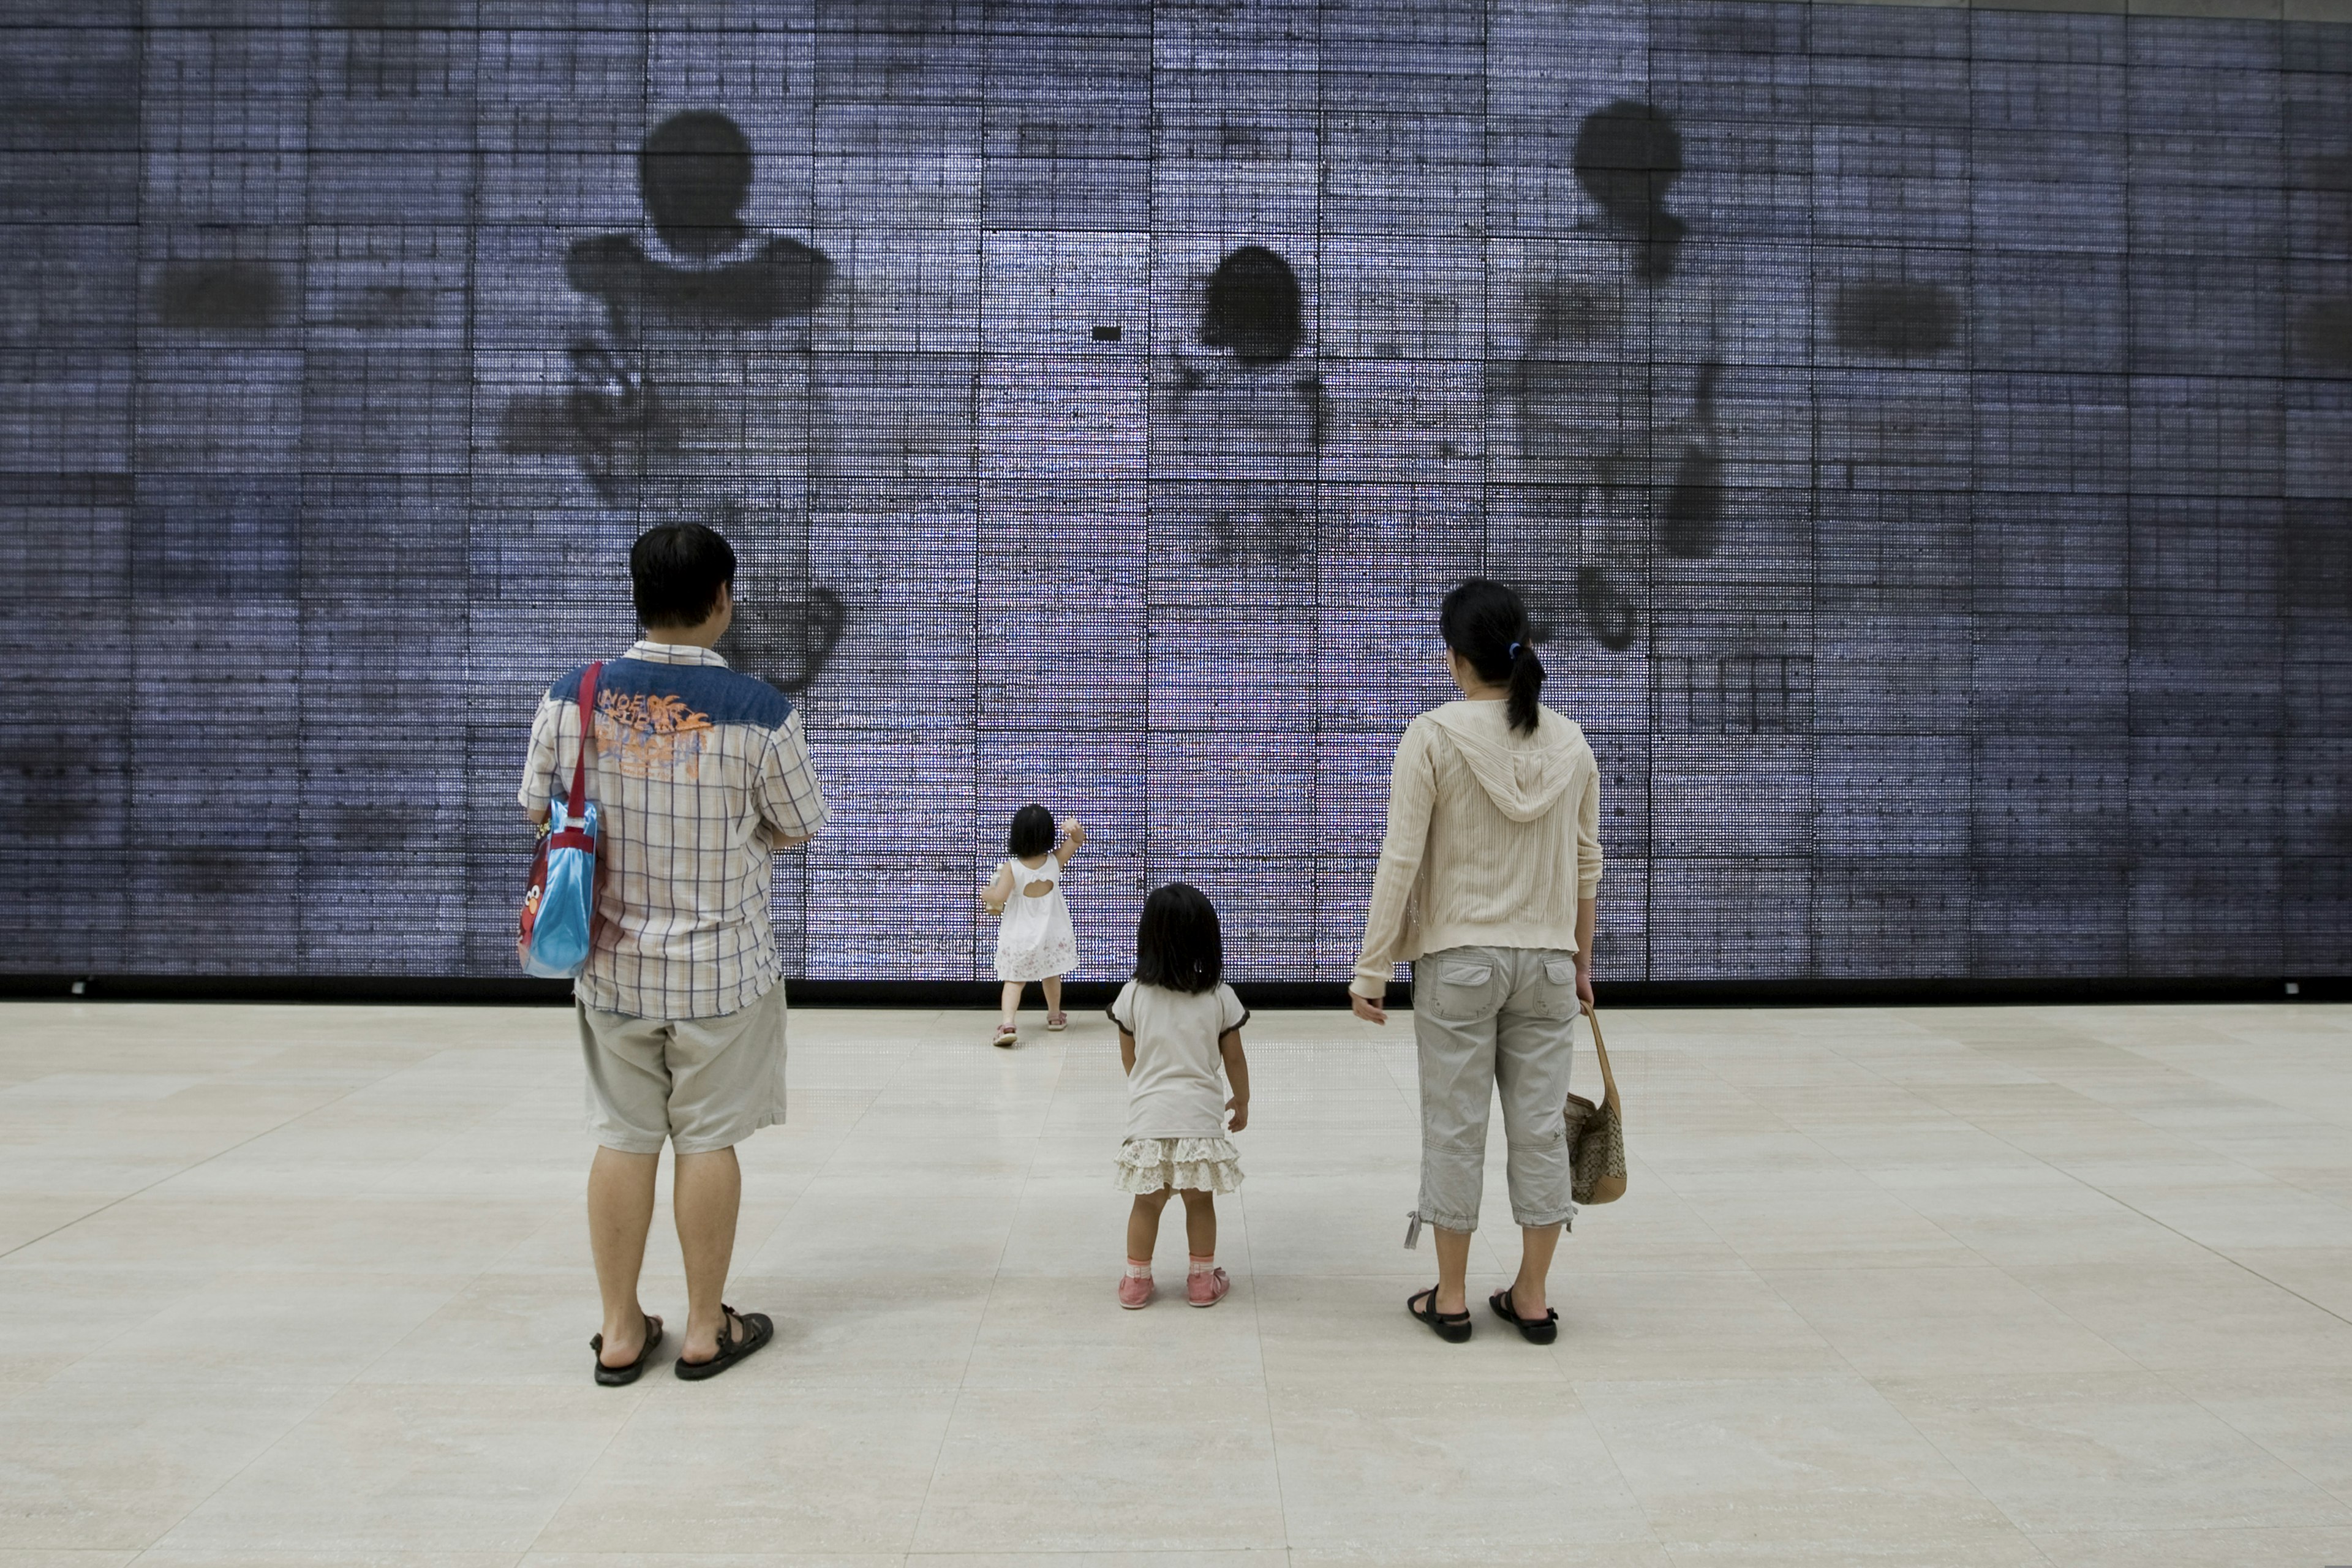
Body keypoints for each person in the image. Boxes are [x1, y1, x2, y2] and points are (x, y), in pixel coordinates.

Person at [519, 521, 828, 1384]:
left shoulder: (574, 695)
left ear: (639, 597)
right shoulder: (763, 712)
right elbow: (799, 825)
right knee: (708, 1143)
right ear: (723, 598)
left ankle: (620, 1332)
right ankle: (703, 1328)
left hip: (609, 965)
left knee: (622, 1139)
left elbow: (535, 807)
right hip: (723, 973)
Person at [1349, 578, 1603, 1346]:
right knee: (1540, 1133)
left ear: (1456, 659)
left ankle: (1451, 1297)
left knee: (1454, 1130)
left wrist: (1372, 969)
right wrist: (1582, 964)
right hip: (1550, 963)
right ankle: (1531, 1296)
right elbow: (1588, 865)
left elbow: (1401, 858)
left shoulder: (1431, 735)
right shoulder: (1572, 741)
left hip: (1459, 963)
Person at [1107, 883, 1252, 1310]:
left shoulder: (1133, 993)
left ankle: (1136, 1283)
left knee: (1147, 1203)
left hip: (1149, 1117)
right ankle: (1202, 1282)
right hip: (1200, 1119)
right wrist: (1241, 1101)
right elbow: (1235, 1059)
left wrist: (1146, 1090)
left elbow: (1129, 1055)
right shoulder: (1218, 995)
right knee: (1199, 1201)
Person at [979, 804, 1085, 1047]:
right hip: (1050, 933)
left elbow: (1000, 897)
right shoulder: (1055, 861)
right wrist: (1074, 829)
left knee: (1014, 981)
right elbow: (1078, 840)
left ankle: (1008, 1024)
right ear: (1048, 834)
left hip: (1020, 935)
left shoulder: (1012, 867)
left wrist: (988, 894)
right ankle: (1055, 1016)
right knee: (1051, 974)